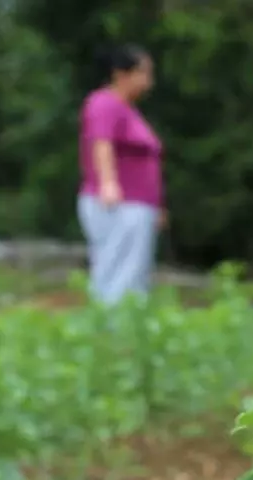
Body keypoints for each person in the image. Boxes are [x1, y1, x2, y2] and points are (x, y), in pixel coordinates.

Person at [78, 45, 165, 305]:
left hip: (137, 204)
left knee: (134, 272)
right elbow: (101, 142)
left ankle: (127, 331)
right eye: (144, 73)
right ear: (120, 74)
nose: (149, 81)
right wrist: (108, 183)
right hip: (119, 203)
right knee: (118, 271)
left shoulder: (127, 110)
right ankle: (112, 331)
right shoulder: (104, 103)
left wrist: (156, 206)